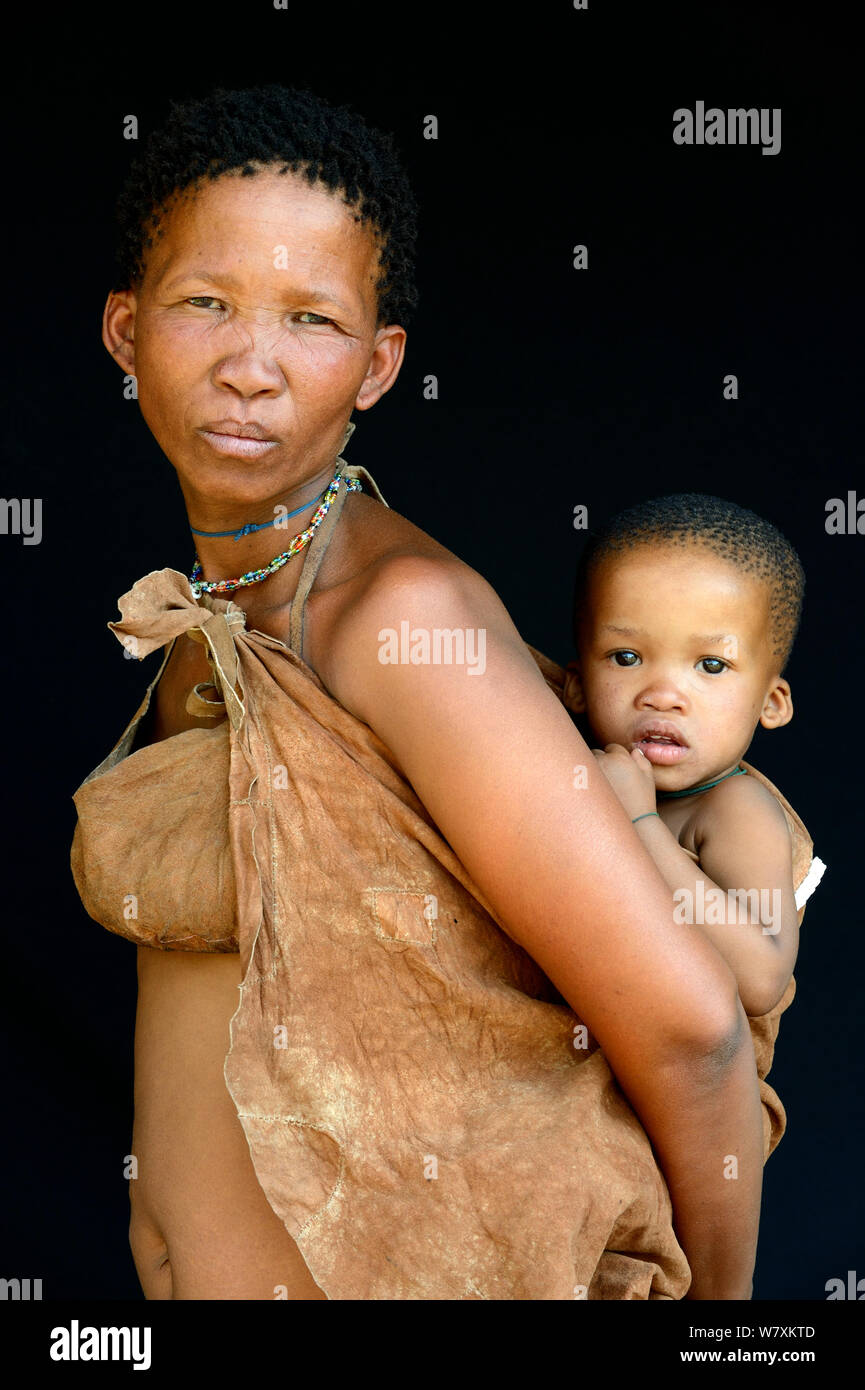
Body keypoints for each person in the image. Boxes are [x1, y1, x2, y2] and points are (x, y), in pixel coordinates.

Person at [71, 84, 764, 1301]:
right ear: (126, 333)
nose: (250, 365)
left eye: (311, 319)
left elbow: (691, 1029)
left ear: (379, 366)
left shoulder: (398, 623)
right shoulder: (211, 616)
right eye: (204, 304)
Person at [562, 493, 825, 1159]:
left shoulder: (733, 811)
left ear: (770, 701)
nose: (662, 693)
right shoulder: (578, 764)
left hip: (694, 1108)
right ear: (573, 682)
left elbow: (761, 976)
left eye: (709, 666)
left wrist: (639, 822)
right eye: (626, 658)